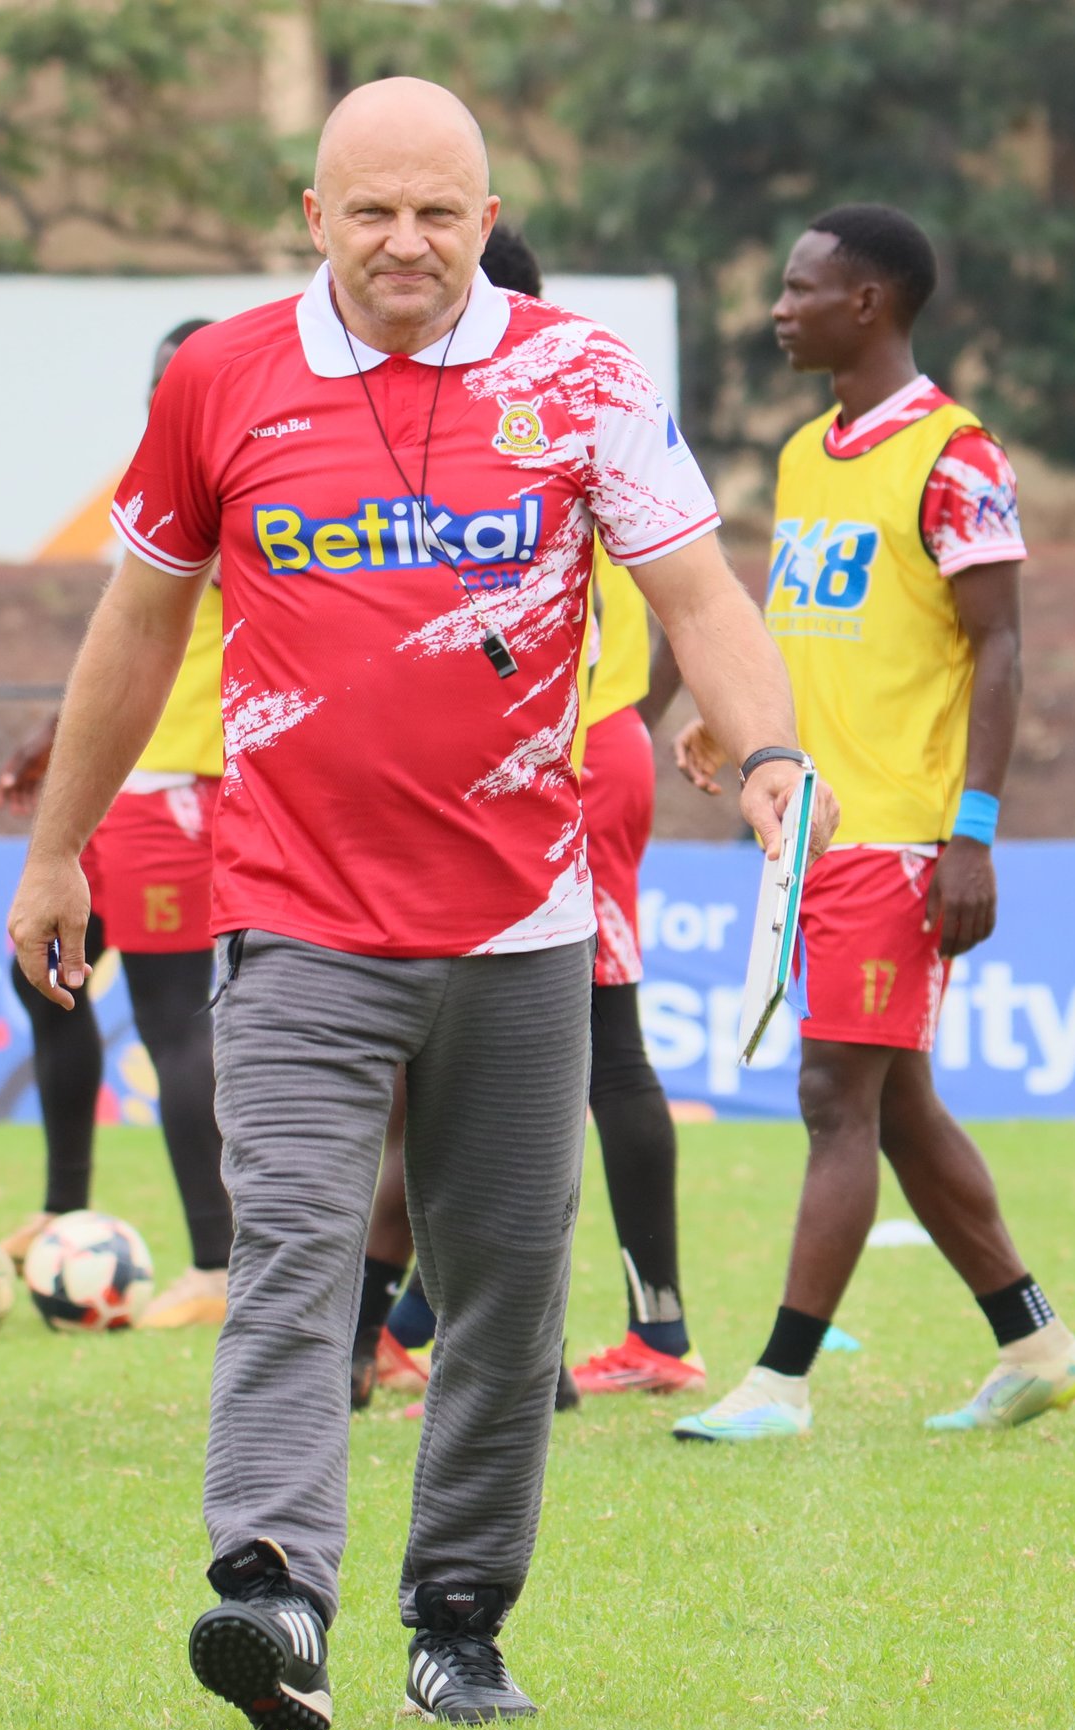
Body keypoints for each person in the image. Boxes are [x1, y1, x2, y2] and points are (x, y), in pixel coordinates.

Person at [8, 77, 830, 1730]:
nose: (404, 243)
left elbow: (697, 592)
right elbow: (138, 630)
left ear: (483, 213)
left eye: (436, 214)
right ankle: (271, 1590)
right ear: (314, 216)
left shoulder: (577, 374)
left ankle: (455, 1617)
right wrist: (55, 848)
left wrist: (770, 755)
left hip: (522, 925)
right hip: (293, 913)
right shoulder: (219, 379)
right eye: (370, 211)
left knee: (507, 1283)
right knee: (295, 1248)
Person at [670, 204, 1075, 1445]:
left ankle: (781, 1380)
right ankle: (1032, 1339)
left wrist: (970, 832)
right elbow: (806, 624)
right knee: (898, 1101)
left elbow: (999, 648)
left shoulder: (957, 455)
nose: (776, 308)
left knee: (831, 1093)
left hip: (901, 833)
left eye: (798, 289)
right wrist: (736, 724)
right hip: (816, 821)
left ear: (867, 304)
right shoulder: (807, 455)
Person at [352, 223, 703, 1404]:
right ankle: (410, 1327)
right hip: (578, 748)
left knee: (561, 1052)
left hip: (559, 764)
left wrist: (605, 727)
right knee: (485, 1051)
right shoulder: (572, 407)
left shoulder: (521, 418)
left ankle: (613, 1333)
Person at [0, 320, 235, 1330]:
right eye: (159, 383)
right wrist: (59, 739)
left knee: (172, 1015)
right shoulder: (160, 480)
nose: (169, 399)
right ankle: (63, 1206)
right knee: (41, 971)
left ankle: (217, 1264)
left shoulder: (242, 483)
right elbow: (127, 637)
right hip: (123, 781)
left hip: (181, 783)